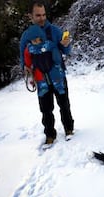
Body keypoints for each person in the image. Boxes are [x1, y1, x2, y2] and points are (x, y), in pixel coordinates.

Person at [20, 0, 74, 144]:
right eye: (38, 15)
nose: (42, 18)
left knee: (64, 105)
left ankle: (69, 129)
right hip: (40, 79)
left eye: (44, 14)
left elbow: (66, 50)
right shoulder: (26, 36)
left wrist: (66, 45)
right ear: (30, 16)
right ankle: (50, 135)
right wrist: (26, 70)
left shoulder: (55, 31)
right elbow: (23, 57)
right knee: (45, 109)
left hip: (58, 76)